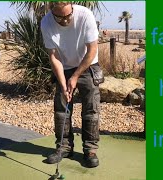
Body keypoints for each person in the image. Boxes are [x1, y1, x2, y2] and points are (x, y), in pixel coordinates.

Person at [40, 2, 101, 168]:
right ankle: (64, 147)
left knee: (91, 108)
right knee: (61, 108)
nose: (66, 20)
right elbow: (54, 57)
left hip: (88, 65)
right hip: (64, 66)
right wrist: (63, 83)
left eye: (68, 15)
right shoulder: (46, 22)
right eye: (60, 17)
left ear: (72, 7)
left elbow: (92, 50)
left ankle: (90, 150)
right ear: (52, 11)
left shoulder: (85, 15)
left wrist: (75, 77)